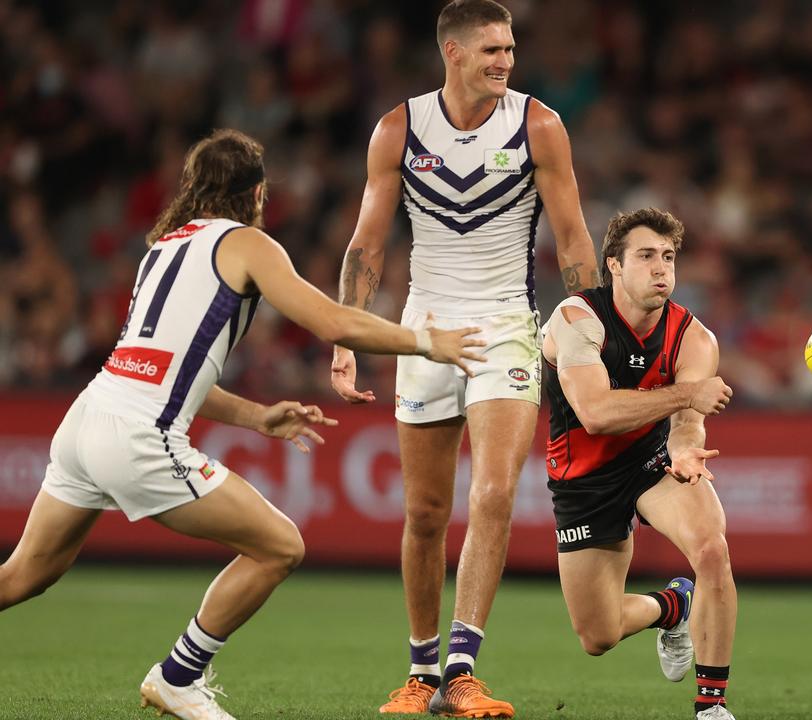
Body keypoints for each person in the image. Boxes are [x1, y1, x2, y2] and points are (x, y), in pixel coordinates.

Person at [0, 129, 483, 720]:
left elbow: (164, 369)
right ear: (257, 192)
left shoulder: (163, 246)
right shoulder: (249, 244)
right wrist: (427, 342)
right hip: (136, 435)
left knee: (22, 576)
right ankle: (178, 677)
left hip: (87, 418)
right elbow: (332, 322)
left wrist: (256, 416)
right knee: (279, 546)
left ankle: (178, 679)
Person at [328, 1, 599, 716]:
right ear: (452, 52)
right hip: (425, 330)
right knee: (423, 513)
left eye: (509, 49)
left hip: (506, 324)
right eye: (491, 51)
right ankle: (419, 674)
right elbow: (367, 246)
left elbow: (573, 239)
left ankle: (461, 671)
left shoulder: (538, 124)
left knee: (495, 493)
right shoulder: (400, 129)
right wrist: (348, 335)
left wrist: (597, 331)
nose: (506, 61)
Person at [541, 208, 736, 720]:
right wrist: (688, 394)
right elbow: (597, 414)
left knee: (712, 549)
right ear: (614, 266)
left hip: (652, 462)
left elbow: (690, 419)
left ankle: (711, 706)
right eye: (646, 256)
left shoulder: (694, 337)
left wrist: (685, 445)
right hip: (584, 477)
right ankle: (671, 607)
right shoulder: (576, 321)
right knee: (598, 635)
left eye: (668, 257)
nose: (661, 269)